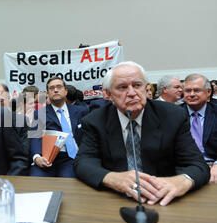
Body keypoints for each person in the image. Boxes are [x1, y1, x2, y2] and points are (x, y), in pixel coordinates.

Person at [73, 61, 210, 206]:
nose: (132, 93)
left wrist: (182, 181)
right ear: (108, 94)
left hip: (163, 198)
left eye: (137, 85)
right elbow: (83, 162)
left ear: (146, 88)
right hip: (116, 199)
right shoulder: (95, 121)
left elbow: (197, 164)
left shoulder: (173, 116)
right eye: (122, 87)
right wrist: (112, 178)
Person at [30, 77, 88, 178]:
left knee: (68, 184)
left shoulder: (81, 111)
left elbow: (88, 136)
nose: (55, 90)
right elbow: (35, 137)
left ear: (66, 91)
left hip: (72, 158)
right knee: (36, 182)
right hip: (46, 158)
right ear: (47, 94)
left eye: (59, 87)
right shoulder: (39, 113)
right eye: (51, 88)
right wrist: (37, 157)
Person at [182, 74, 217, 183]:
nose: (192, 94)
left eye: (197, 90)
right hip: (185, 167)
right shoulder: (173, 115)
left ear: (208, 92)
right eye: (188, 91)